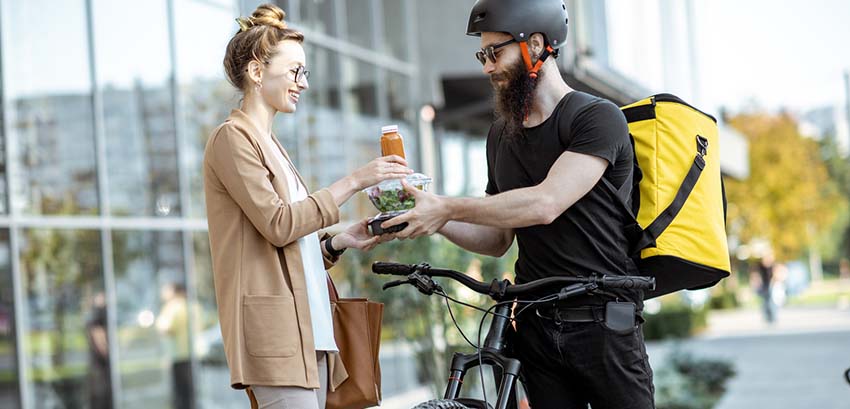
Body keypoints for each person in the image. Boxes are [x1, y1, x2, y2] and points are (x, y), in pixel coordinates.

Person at [382, 0, 654, 407]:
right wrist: (429, 215)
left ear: (537, 44)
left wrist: (447, 206)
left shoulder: (595, 118)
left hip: (603, 324)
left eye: (496, 52)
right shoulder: (500, 135)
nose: (487, 66)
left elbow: (546, 203)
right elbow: (495, 239)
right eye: (483, 54)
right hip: (535, 325)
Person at [203, 4, 410, 408]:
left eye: (305, 72)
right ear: (257, 72)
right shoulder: (232, 139)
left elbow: (287, 248)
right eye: (295, 71)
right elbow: (279, 224)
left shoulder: (272, 145)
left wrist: (336, 243)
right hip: (276, 341)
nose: (304, 83)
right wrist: (354, 180)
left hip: (308, 335)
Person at [155, 283, 196, 409]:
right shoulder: (193, 306)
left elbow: (165, 328)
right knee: (191, 390)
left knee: (180, 392)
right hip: (192, 353)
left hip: (178, 354)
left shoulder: (173, 307)